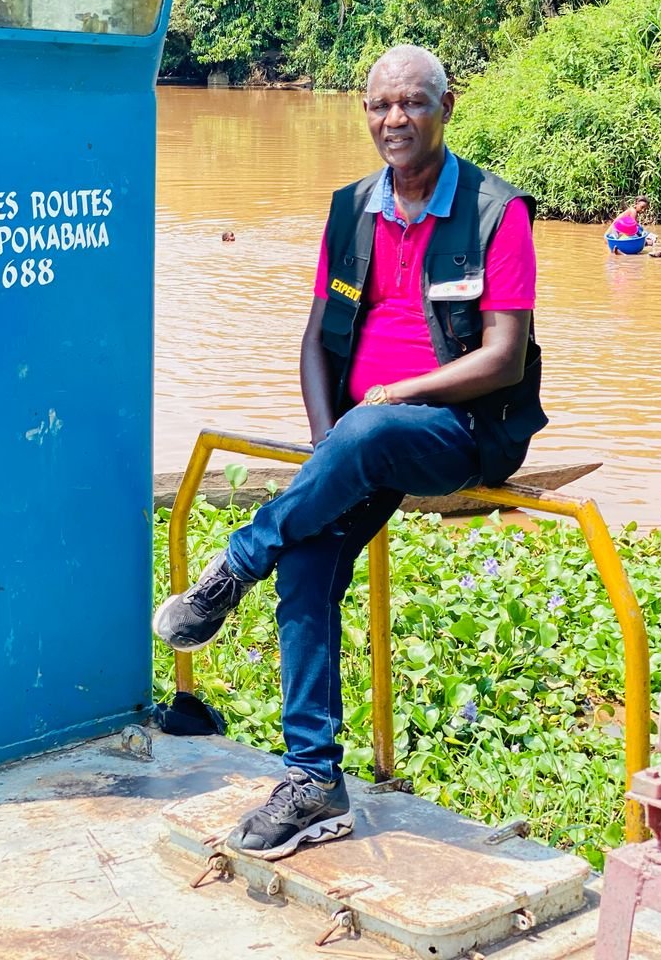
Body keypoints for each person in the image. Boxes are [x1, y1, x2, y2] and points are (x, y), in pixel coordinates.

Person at [153, 44, 547, 861]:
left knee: (363, 437)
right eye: (380, 105)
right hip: (358, 440)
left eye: (413, 103)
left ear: (446, 107)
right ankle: (313, 780)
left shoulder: (495, 212)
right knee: (305, 564)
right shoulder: (350, 210)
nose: (395, 119)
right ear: (365, 113)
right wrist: (326, 442)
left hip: (460, 433)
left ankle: (235, 565)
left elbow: (504, 357)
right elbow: (314, 341)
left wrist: (392, 400)